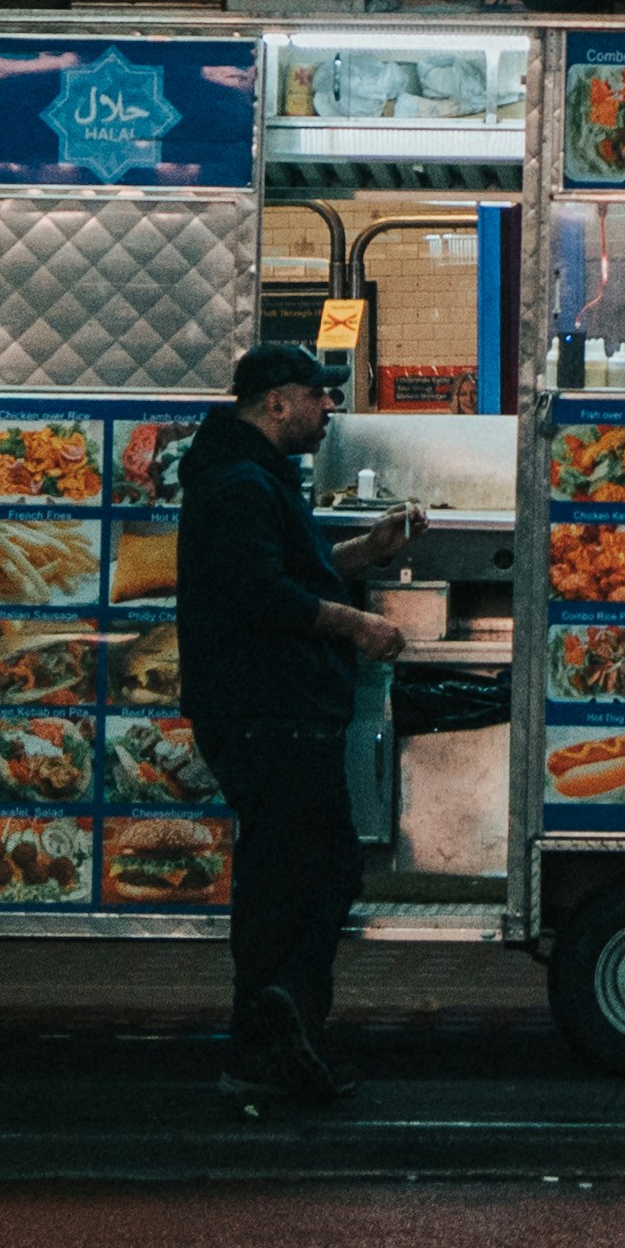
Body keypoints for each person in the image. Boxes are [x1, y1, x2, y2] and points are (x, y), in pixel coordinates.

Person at [174, 339, 429, 1108]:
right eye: (318, 395)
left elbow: (293, 565)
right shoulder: (241, 482)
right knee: (307, 876)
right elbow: (260, 594)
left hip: (275, 711)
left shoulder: (250, 474)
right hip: (267, 712)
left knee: (295, 875)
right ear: (277, 400)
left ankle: (280, 1024)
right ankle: (275, 1025)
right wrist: (357, 625)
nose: (328, 409)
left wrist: (368, 549)